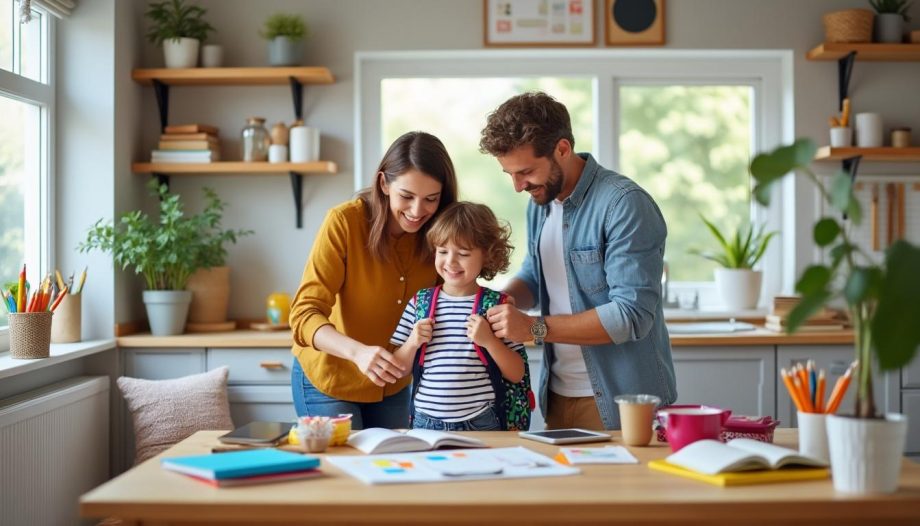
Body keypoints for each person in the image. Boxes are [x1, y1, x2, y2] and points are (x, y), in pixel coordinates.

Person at [478, 91, 677, 430]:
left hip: (621, 400)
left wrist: (532, 327)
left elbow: (631, 315)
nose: (518, 186)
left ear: (562, 149)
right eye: (509, 174)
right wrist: (498, 301)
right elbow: (537, 274)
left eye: (526, 171)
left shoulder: (624, 204)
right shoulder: (540, 202)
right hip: (557, 394)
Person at [290, 131, 458, 429]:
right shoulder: (344, 222)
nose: (417, 211)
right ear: (384, 184)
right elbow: (304, 315)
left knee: (396, 458)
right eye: (406, 196)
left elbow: (447, 300)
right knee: (345, 459)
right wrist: (358, 352)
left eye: (431, 199)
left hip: (394, 383)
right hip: (331, 379)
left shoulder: (440, 235)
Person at [390, 202, 529, 431]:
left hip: (481, 422)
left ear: (487, 255)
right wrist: (412, 342)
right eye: (443, 251)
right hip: (425, 422)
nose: (450, 262)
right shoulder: (419, 303)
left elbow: (516, 374)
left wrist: (490, 342)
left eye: (463, 253)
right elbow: (399, 370)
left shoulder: (497, 306)